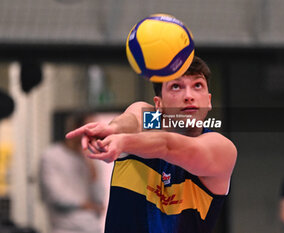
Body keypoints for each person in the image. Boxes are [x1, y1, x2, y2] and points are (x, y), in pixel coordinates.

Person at [66, 56, 237, 233]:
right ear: (159, 104)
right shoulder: (146, 119)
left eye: (197, 86)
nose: (189, 96)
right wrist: (113, 129)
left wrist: (124, 142)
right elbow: (134, 119)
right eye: (176, 86)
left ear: (208, 100)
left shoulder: (221, 149)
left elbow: (170, 145)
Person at [39, 114, 105, 233]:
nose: (94, 136)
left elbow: (100, 200)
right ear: (77, 128)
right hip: (65, 228)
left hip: (93, 228)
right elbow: (56, 197)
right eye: (91, 130)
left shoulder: (91, 158)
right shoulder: (51, 156)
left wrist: (93, 172)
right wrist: (86, 205)